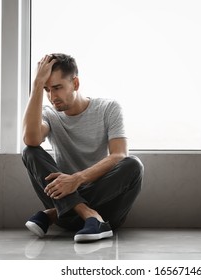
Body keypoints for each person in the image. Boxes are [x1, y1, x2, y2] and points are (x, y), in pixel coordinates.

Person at [21, 53, 143, 243]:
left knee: (133, 164)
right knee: (30, 151)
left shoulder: (108, 108)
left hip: (108, 210)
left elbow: (119, 154)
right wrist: (36, 85)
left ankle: (53, 214)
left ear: (75, 84)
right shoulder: (49, 115)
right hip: (66, 203)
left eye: (57, 87)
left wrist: (77, 180)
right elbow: (31, 139)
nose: (52, 97)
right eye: (46, 89)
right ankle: (88, 215)